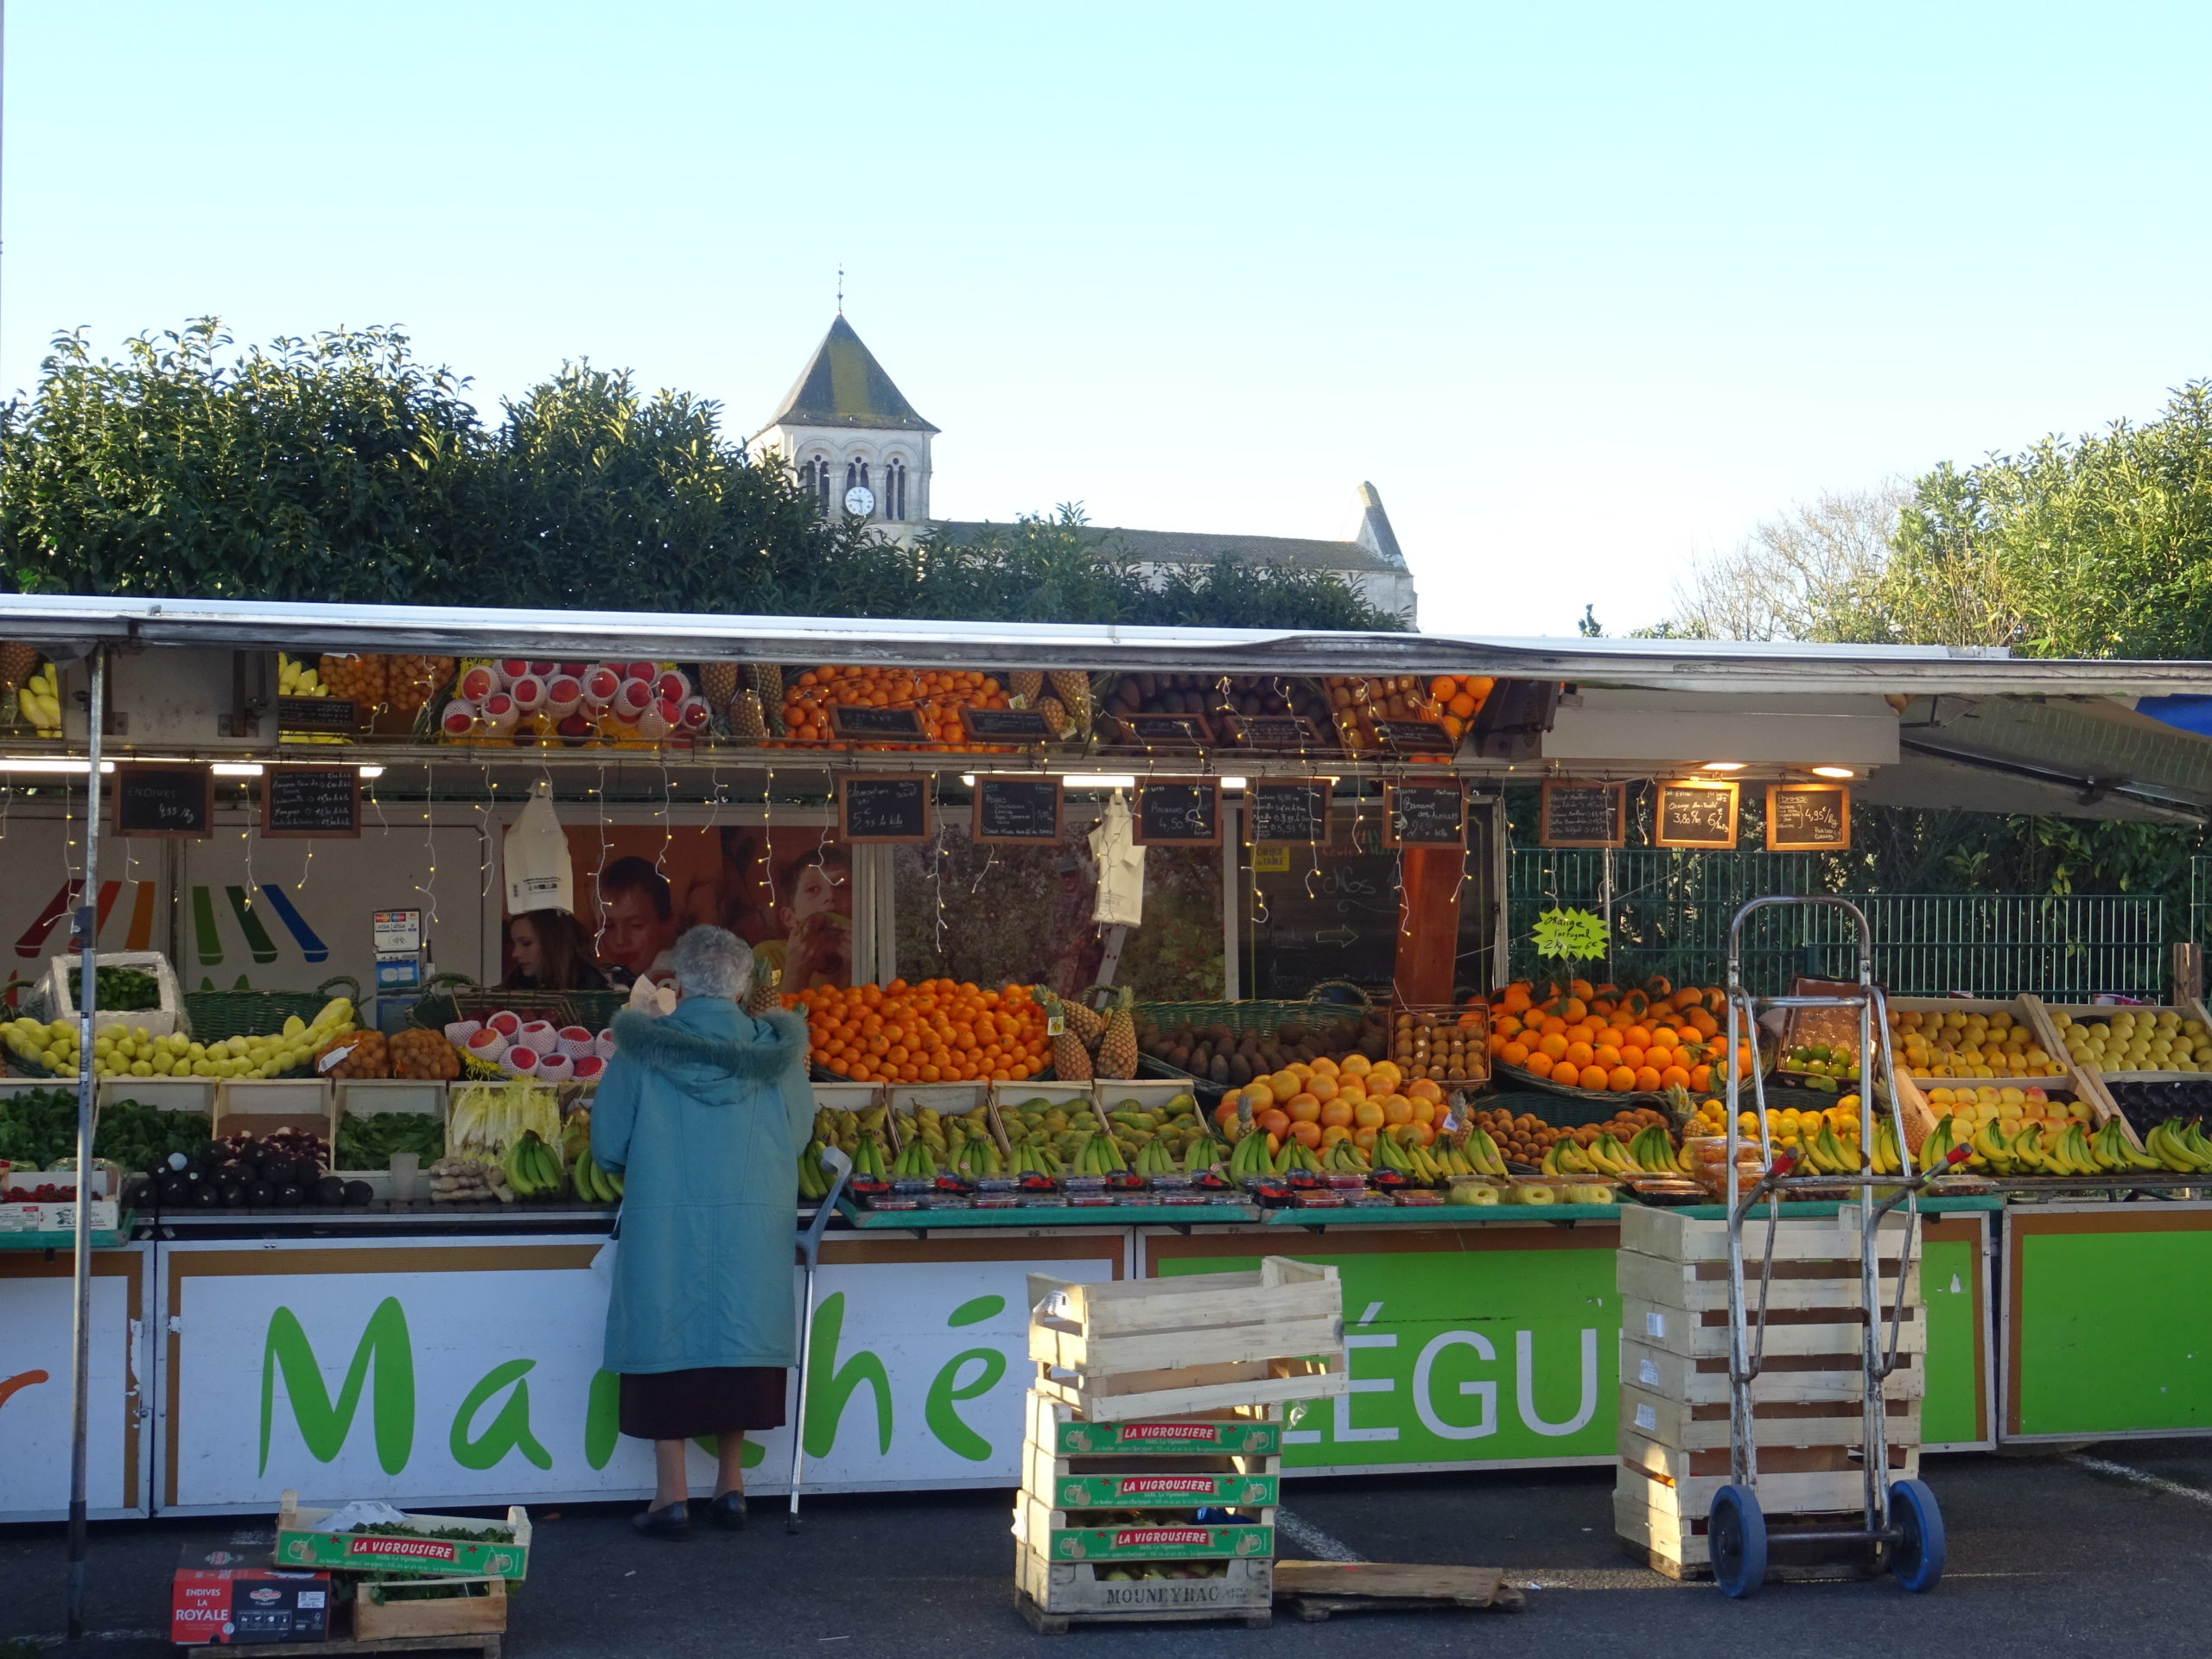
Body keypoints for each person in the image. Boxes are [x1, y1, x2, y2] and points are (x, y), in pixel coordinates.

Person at [590, 925, 811, 1538]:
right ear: (743, 987)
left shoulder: (642, 1053)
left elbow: (608, 1147)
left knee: (667, 1335)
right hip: (753, 1226)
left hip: (666, 1225)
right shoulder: (778, 1059)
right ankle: (732, 1486)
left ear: (677, 983)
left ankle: (672, 1495)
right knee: (738, 1338)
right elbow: (797, 1140)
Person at [596, 856, 680, 987]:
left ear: (667, 923)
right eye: (609, 926)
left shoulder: (682, 981)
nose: (620, 940)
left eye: (636, 925)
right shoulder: (601, 982)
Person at [501, 909, 610, 992]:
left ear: (553, 943)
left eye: (526, 943)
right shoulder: (513, 984)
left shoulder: (591, 988)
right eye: (514, 944)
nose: (516, 954)